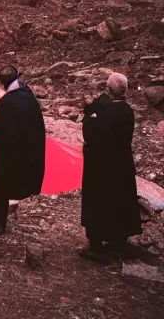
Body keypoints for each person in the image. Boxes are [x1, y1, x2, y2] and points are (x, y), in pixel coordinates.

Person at [79, 73, 142, 262]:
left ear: (108, 89)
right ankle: (118, 239)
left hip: (101, 167)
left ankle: (96, 244)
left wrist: (90, 116)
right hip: (121, 164)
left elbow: (92, 135)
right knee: (119, 201)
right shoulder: (127, 111)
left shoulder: (105, 115)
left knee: (98, 202)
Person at [0, 65, 46, 235]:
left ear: (2, 82)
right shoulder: (28, 95)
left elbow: (3, 127)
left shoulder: (6, 103)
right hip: (26, 150)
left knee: (0, 185)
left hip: (9, 153)